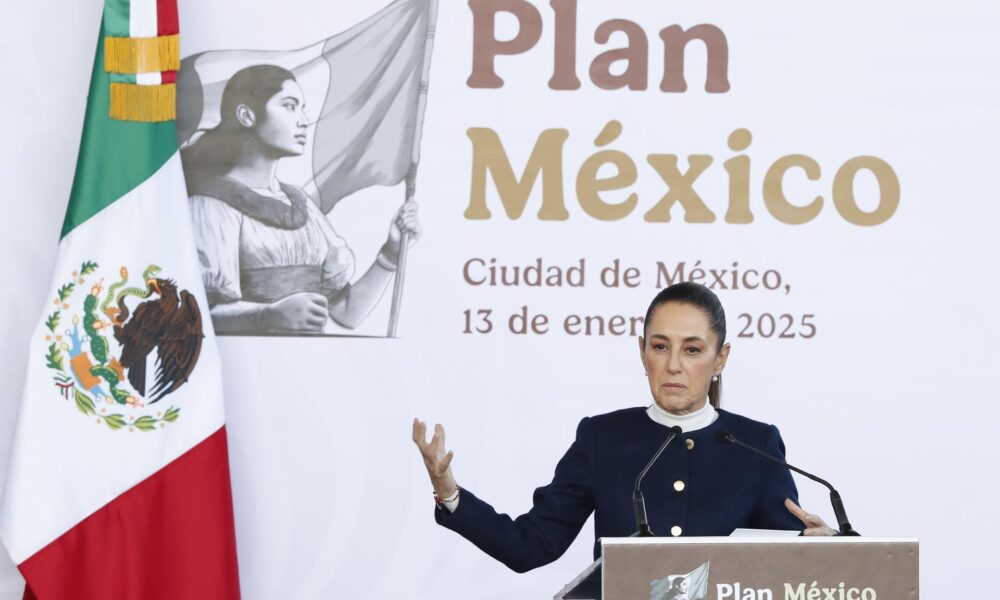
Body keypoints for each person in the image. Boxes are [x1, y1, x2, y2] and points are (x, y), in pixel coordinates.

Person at [412, 282, 835, 573]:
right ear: (642, 351)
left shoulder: (756, 445)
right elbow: (530, 546)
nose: (673, 365)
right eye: (660, 346)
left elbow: (781, 564)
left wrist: (819, 549)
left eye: (692, 350)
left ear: (720, 359)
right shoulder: (603, 439)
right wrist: (450, 494)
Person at [182, 64, 421, 335]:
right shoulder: (210, 205)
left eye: (302, 108)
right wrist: (267, 315)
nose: (303, 120)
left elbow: (346, 313)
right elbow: (193, 315)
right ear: (246, 115)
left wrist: (391, 252)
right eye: (289, 106)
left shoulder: (302, 205)